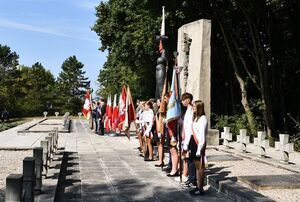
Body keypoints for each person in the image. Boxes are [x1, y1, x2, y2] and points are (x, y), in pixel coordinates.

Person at [178, 93, 197, 187]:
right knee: (189, 159)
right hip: (187, 137)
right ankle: (191, 178)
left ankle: (192, 179)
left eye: (183, 100)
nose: (182, 102)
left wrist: (186, 142)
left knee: (191, 159)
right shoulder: (188, 110)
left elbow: (189, 127)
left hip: (191, 138)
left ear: (188, 100)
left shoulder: (191, 110)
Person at [189, 100, 207, 195]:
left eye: (194, 106)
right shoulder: (196, 118)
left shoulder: (203, 119)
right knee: (196, 166)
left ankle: (200, 188)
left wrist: (199, 149)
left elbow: (202, 136)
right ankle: (198, 186)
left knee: (200, 166)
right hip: (193, 143)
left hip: (198, 144)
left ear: (199, 108)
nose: (193, 108)